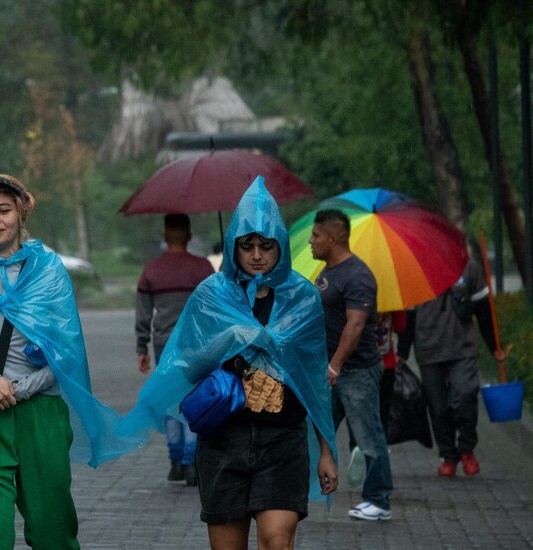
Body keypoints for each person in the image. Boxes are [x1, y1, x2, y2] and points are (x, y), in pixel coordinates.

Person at [119, 178, 337, 549]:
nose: (256, 255)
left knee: (276, 541)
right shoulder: (211, 296)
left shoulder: (302, 298)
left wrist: (327, 451)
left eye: (265, 246)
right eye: (246, 245)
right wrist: (229, 338)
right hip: (223, 441)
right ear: (234, 246)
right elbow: (186, 366)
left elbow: (313, 378)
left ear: (279, 247)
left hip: (283, 441)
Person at [0, 173, 143, 549]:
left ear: (21, 215)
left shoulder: (49, 271)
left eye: (3, 210)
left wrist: (17, 387)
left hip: (40, 411)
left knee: (53, 531)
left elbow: (67, 350)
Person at [309, 208, 394, 521]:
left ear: (333, 238)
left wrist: (335, 366)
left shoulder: (357, 275)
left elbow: (355, 325)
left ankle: (379, 500)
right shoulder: (328, 272)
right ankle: (306, 488)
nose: (310, 241)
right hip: (332, 372)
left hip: (355, 372)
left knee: (369, 436)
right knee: (317, 428)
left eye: (316, 235)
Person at [397, 252, 500, 477]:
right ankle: (448, 455)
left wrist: (494, 345)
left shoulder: (468, 267)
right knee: (438, 407)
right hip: (428, 350)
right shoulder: (415, 272)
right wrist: (402, 353)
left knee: (464, 395)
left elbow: (483, 309)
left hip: (462, 349)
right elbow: (409, 317)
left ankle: (467, 449)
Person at [135, 213, 215, 484]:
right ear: (189, 235)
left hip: (163, 346)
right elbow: (214, 309)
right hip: (197, 345)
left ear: (166, 236)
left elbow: (143, 313)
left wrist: (141, 347)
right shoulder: (203, 268)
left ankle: (175, 461)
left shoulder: (152, 269)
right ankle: (192, 462)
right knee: (194, 399)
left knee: (171, 400)